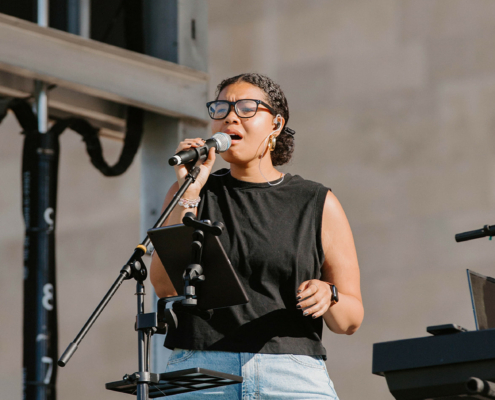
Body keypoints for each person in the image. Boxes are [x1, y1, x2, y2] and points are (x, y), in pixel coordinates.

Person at [150, 73, 363, 399]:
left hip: (290, 372)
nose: (230, 116)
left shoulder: (316, 202)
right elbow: (165, 285)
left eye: (247, 107)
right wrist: (189, 192)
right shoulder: (192, 194)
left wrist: (328, 293)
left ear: (276, 125)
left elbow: (350, 318)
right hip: (199, 368)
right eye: (220, 109)